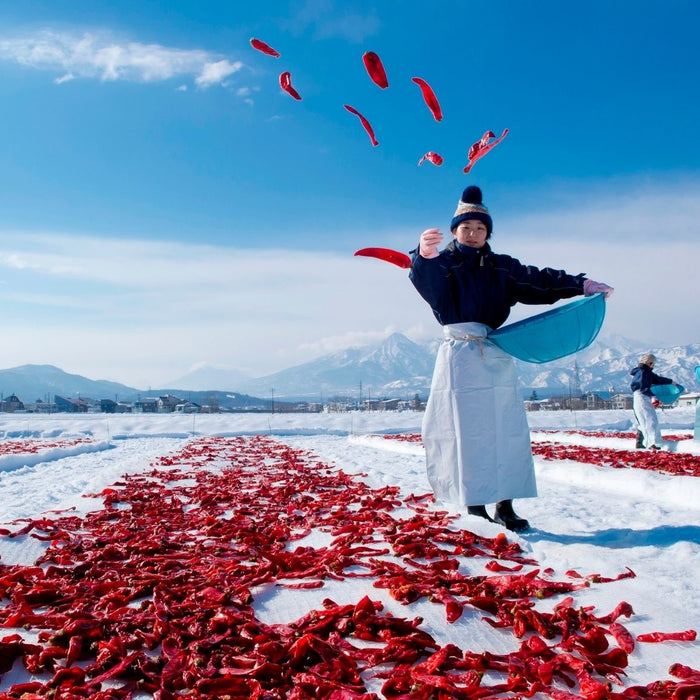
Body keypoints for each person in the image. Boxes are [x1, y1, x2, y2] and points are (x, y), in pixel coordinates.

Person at [409, 185, 613, 532]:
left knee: (506, 430)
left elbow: (540, 282)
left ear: (488, 232)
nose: (473, 235)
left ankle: (505, 504)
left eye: (480, 229)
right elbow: (428, 285)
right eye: (466, 228)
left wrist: (580, 285)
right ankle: (475, 504)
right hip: (459, 356)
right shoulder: (444, 264)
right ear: (455, 231)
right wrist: (423, 257)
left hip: (495, 350)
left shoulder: (503, 267)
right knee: (467, 432)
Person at [630, 353, 676, 450]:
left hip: (644, 396)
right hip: (641, 396)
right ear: (650, 363)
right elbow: (643, 387)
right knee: (649, 419)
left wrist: (671, 381)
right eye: (653, 364)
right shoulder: (642, 372)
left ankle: (641, 442)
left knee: (646, 419)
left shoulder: (647, 372)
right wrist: (652, 396)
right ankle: (652, 443)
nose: (653, 366)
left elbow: (657, 379)